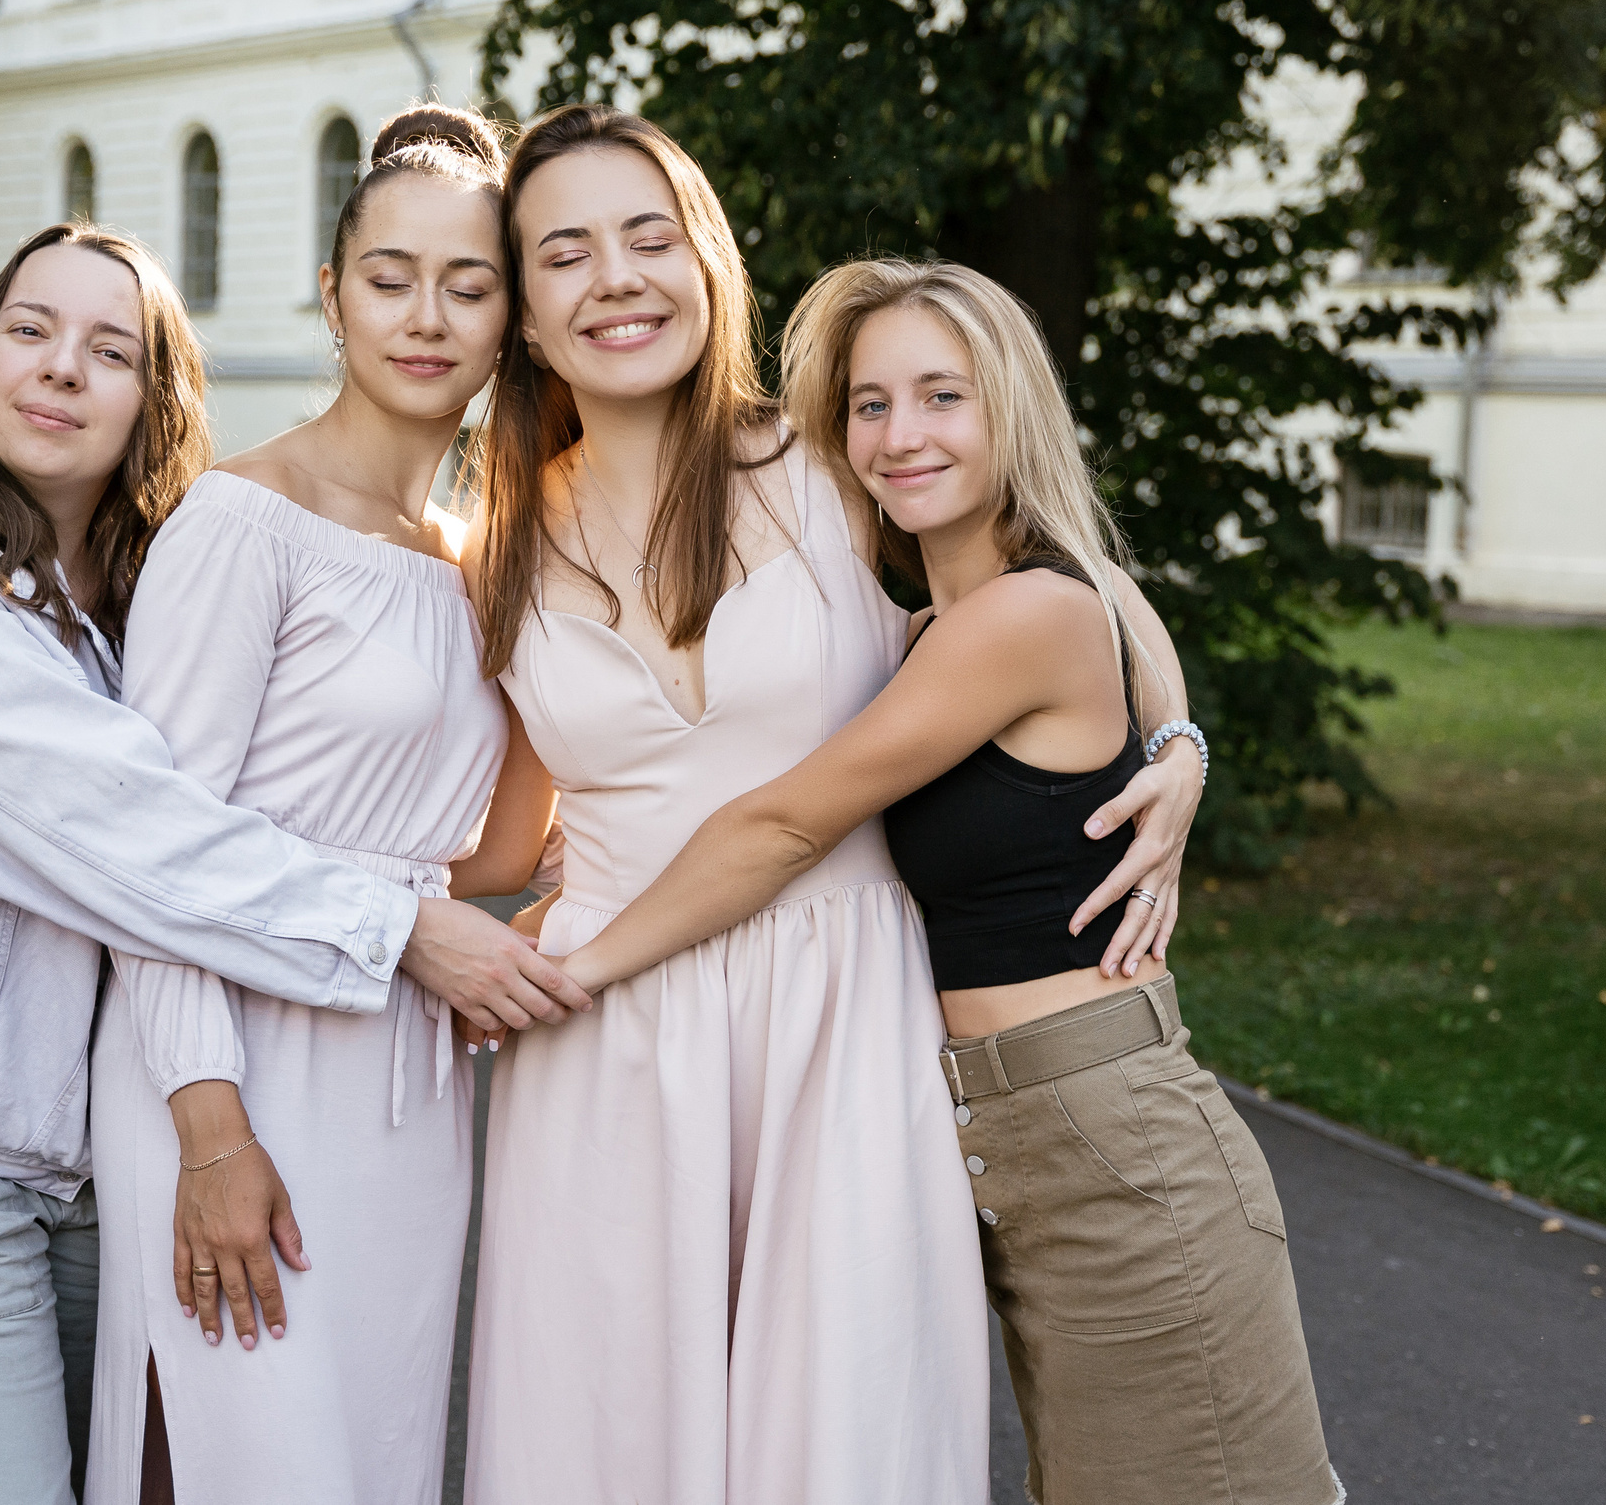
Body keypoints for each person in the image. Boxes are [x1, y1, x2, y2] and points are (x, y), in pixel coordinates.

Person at [0, 222, 577, 1505]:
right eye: (30, 331)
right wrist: (403, 929)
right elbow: (141, 835)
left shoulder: (123, 589)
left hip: (68, 1147)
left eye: (108, 349)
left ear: (153, 394)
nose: (62, 369)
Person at [457, 108, 1203, 1505]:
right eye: (565, 253)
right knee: (601, 1435)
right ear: (528, 318)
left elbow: (1074, 584)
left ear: (706, 261)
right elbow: (502, 830)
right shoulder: (495, 539)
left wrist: (1178, 739)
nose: (615, 275)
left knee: (841, 1433)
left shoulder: (829, 463)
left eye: (646, 235)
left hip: (843, 1015)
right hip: (600, 1031)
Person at [566, 258, 1342, 1505]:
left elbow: (781, 824)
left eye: (943, 395)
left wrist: (573, 968)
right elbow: (1127, 606)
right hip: (1013, 1145)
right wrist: (1180, 742)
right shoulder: (941, 626)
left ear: (1009, 411)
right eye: (869, 404)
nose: (899, 434)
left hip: (1116, 1152)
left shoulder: (1018, 619)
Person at [84, 106, 575, 1505]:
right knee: (232, 1443)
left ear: (512, 321)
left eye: (470, 286)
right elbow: (153, 856)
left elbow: (479, 849)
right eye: (390, 277)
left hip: (405, 1078)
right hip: (234, 1056)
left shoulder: (476, 556)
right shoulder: (243, 522)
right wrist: (210, 1130)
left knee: (362, 1454)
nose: (427, 316)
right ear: (333, 295)